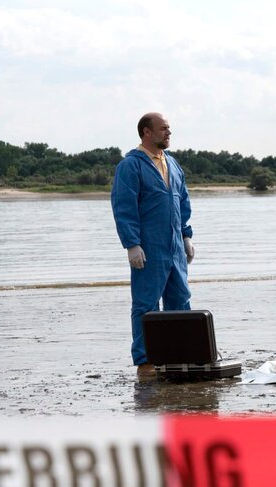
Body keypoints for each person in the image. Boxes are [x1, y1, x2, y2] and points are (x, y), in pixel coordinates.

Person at [111, 112, 195, 377]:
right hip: (148, 247)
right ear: (146, 132)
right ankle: (145, 361)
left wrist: (186, 236)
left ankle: (180, 356)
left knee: (180, 301)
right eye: (163, 129)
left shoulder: (173, 164)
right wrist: (131, 244)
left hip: (175, 247)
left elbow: (182, 201)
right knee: (146, 305)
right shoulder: (130, 166)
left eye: (169, 128)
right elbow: (123, 207)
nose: (168, 133)